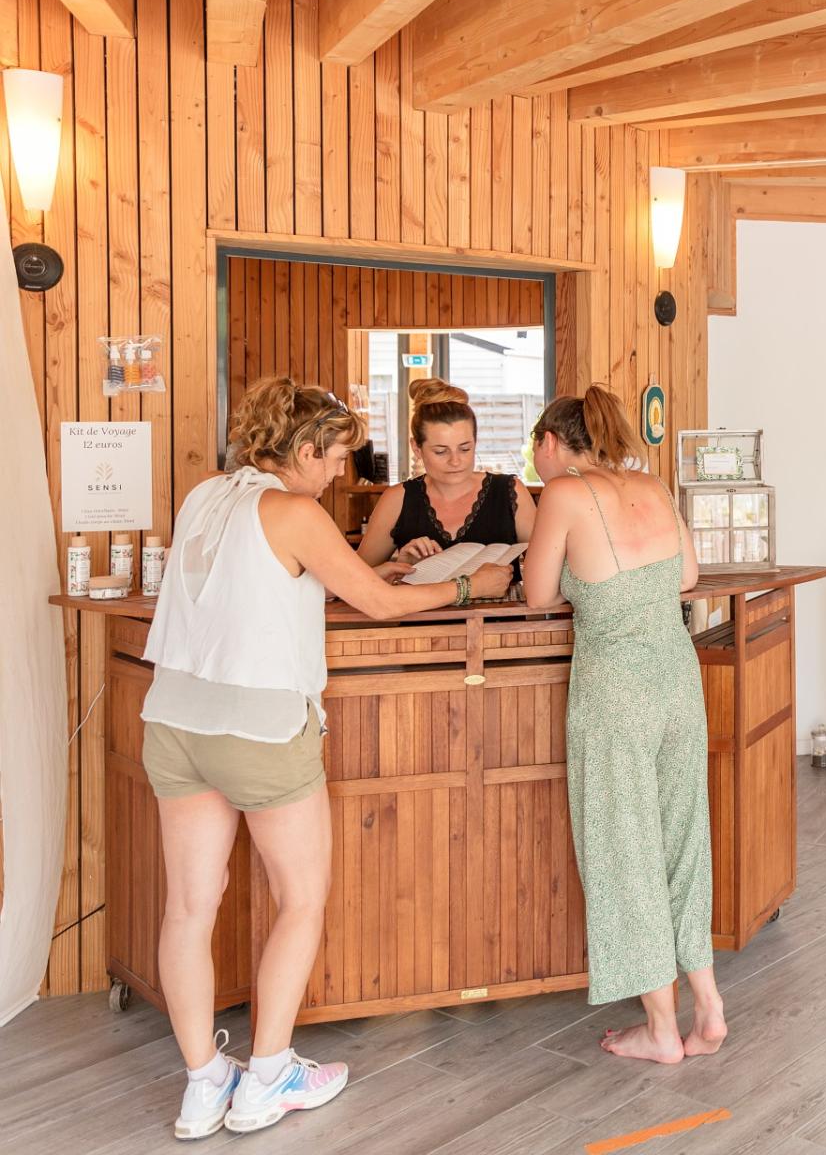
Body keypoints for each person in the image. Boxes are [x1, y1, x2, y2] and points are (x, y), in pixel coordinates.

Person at [146, 377, 513, 1138]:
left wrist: (379, 571)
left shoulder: (204, 496)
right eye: (336, 456)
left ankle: (203, 1086)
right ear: (306, 448)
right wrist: (464, 588)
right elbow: (378, 605)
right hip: (260, 727)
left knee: (187, 907)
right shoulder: (293, 509)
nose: (342, 471)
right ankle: (268, 1076)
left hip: (175, 720)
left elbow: (276, 582)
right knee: (301, 899)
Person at [519, 385, 722, 1065]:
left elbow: (538, 594)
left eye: (536, 447)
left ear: (552, 443)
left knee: (623, 850)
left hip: (615, 690)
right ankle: (708, 1006)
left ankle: (662, 1030)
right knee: (683, 837)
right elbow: (687, 575)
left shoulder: (563, 494)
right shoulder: (653, 485)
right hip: (677, 678)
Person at [357, 378, 535, 578]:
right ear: (416, 448)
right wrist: (401, 567)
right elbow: (355, 581)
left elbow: (547, 571)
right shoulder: (397, 499)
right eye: (441, 451)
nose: (455, 461)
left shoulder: (510, 492)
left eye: (465, 449)